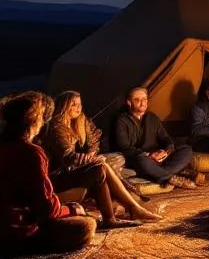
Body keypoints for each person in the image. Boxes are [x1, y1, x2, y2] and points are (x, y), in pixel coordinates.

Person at [0, 92, 98, 255]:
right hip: (6, 234)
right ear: (33, 120)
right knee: (87, 225)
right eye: (41, 116)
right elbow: (47, 210)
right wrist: (71, 209)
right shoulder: (31, 152)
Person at [43, 90, 160, 224]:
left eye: (79, 104)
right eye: (73, 105)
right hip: (60, 175)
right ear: (64, 107)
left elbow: (94, 138)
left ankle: (118, 214)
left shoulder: (81, 121)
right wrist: (91, 159)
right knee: (102, 166)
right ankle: (130, 209)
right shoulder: (56, 127)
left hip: (79, 167)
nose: (78, 108)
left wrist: (91, 154)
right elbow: (69, 157)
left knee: (114, 159)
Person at [112, 87, 200, 189]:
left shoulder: (152, 117)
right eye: (137, 100)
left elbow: (166, 138)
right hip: (140, 158)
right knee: (141, 159)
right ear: (129, 102)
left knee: (186, 149)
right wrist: (149, 155)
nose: (142, 103)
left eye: (144, 99)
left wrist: (166, 151)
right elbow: (125, 147)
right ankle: (172, 178)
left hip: (158, 157)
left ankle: (158, 175)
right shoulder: (121, 120)